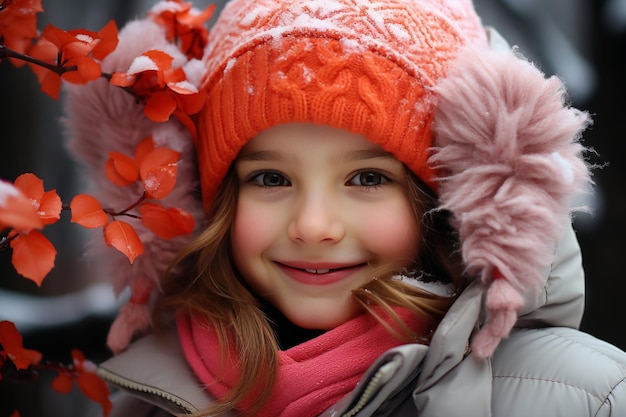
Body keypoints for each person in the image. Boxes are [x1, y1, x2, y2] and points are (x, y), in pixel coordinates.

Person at [63, 0, 626, 416]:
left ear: (450, 200)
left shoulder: (581, 397)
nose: (313, 225)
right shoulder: (146, 403)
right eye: (271, 177)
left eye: (366, 177)